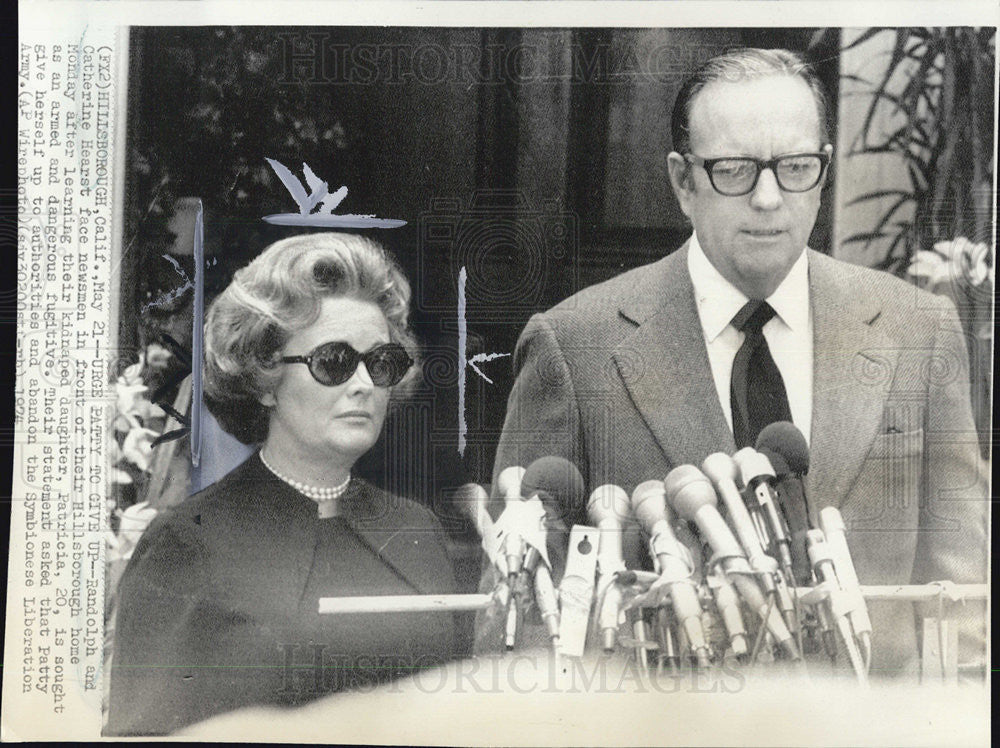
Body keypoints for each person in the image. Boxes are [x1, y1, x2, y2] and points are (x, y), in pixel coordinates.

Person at [485, 49, 987, 674]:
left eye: (797, 167)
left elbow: (968, 599)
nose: (770, 198)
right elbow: (516, 617)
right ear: (681, 181)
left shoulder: (919, 330)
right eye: (734, 170)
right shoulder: (574, 347)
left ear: (824, 170)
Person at [108, 233, 459, 734]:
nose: (363, 384)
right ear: (265, 378)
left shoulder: (416, 529)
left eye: (380, 363)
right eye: (334, 362)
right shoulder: (187, 543)